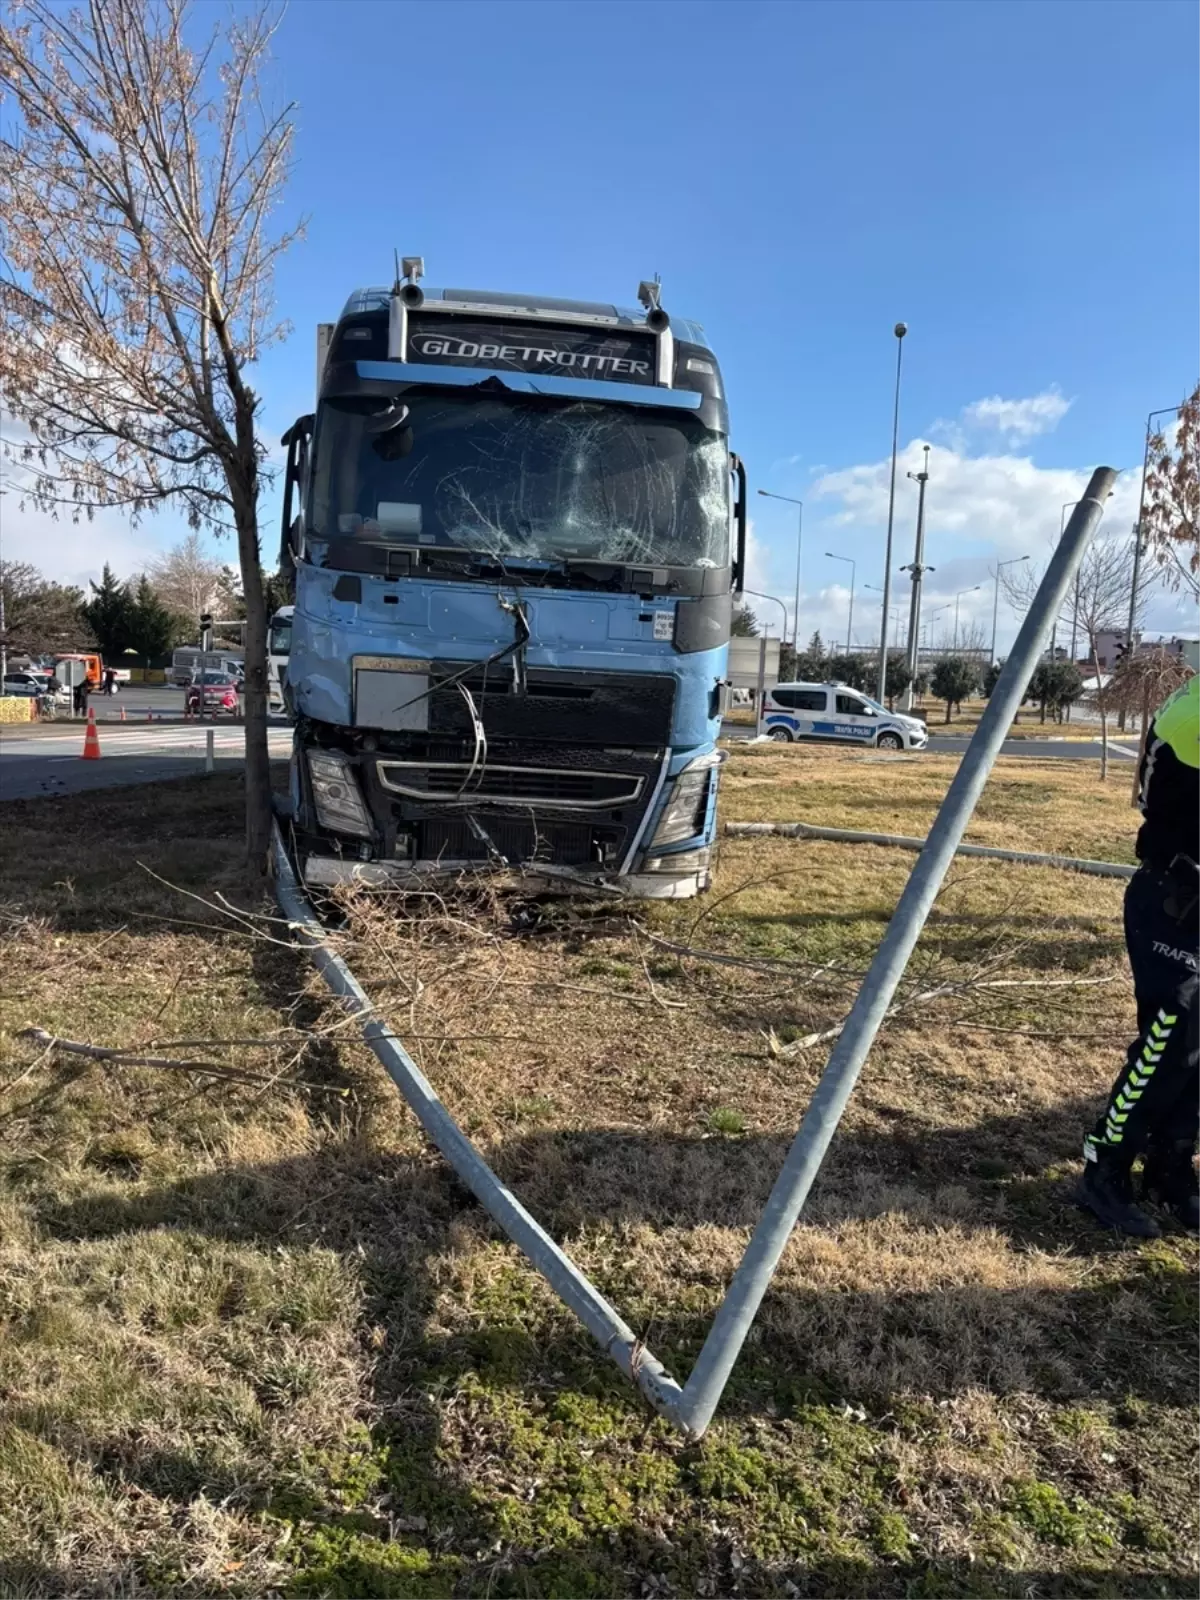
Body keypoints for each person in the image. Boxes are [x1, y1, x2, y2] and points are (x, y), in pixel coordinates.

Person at [1076, 673, 1200, 1236]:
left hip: (1185, 893)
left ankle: (1171, 1170)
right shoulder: (1195, 712)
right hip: (1174, 898)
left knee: (1196, 1048)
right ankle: (1105, 1168)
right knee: (1167, 1042)